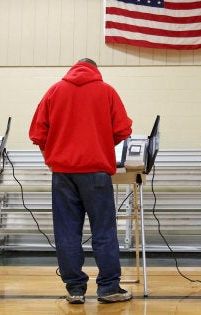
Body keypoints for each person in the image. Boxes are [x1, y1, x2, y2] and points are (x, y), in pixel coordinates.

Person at [29, 58, 133, 304]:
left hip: (63, 173)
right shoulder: (106, 91)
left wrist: (53, 154)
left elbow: (37, 133)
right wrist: (101, 144)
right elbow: (122, 130)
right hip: (97, 172)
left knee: (67, 232)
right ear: (96, 70)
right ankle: (108, 288)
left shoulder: (54, 91)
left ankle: (75, 289)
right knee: (104, 231)